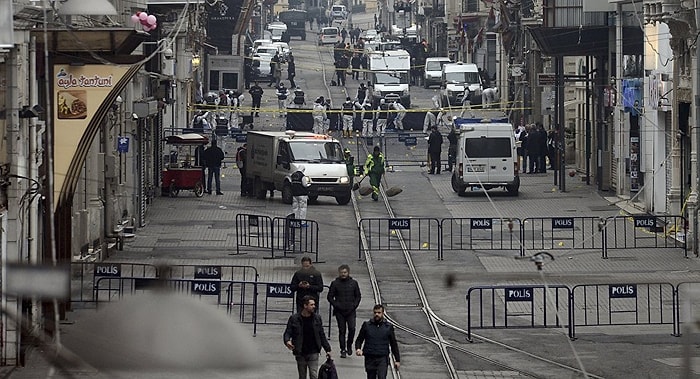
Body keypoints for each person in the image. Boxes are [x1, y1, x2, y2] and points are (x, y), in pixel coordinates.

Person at [283, 295, 332, 379]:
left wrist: (328, 349)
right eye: (311, 305)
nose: (314, 307)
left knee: (313, 375)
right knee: (302, 376)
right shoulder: (294, 319)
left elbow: (321, 334)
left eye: (314, 304)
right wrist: (287, 341)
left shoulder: (317, 318)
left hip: (313, 351)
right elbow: (287, 332)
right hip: (300, 351)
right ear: (305, 306)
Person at [355, 304, 400, 379]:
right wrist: (358, 348)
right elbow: (359, 339)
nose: (377, 314)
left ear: (383, 313)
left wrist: (397, 360)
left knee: (382, 377)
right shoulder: (367, 325)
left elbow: (393, 344)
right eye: (375, 312)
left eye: (379, 313)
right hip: (370, 357)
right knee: (371, 377)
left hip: (382, 358)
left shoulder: (388, 327)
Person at [327, 264, 361, 359]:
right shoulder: (335, 283)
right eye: (341, 272)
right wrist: (336, 305)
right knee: (342, 331)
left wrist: (354, 305)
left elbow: (358, 296)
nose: (343, 274)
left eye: (345, 272)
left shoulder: (354, 283)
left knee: (352, 328)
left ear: (348, 272)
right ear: (339, 273)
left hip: (351, 310)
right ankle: (343, 349)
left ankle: (349, 344)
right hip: (339, 311)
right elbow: (330, 296)